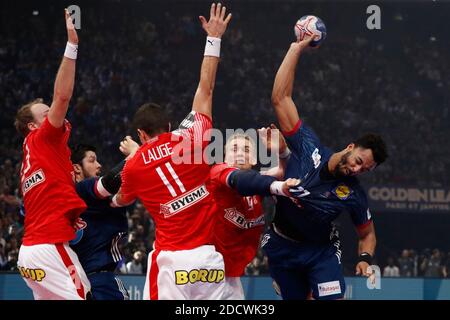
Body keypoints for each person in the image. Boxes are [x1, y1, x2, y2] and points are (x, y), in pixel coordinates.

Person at [112, 3, 233, 300]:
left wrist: (135, 156)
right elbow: (206, 88)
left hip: (171, 260)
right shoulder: (193, 137)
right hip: (209, 259)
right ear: (168, 124)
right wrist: (214, 37)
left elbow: (121, 200)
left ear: (140, 133)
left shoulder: (134, 166)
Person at [261, 34, 388, 300]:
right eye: (358, 162)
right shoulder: (308, 146)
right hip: (282, 244)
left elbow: (367, 234)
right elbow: (280, 98)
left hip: (321, 252)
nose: (357, 170)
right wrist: (295, 49)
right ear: (350, 147)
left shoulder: (353, 194)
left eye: (365, 170)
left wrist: (364, 258)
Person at [15, 9, 91, 300]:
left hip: (30, 254)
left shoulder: (30, 156)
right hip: (48, 246)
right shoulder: (42, 136)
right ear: (34, 125)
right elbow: (62, 96)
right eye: (46, 115)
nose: (54, 116)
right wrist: (72, 45)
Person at [210, 131, 295, 299]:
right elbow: (243, 181)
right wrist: (279, 187)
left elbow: (284, 172)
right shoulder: (218, 173)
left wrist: (282, 151)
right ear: (225, 157)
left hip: (232, 275)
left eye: (247, 150)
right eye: (234, 149)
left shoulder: (257, 182)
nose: (241, 153)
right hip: (207, 270)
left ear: (255, 160)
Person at [69, 138, 139, 300]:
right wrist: (136, 154)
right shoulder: (83, 188)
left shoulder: (73, 197)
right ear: (77, 169)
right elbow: (110, 182)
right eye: (92, 160)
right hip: (100, 280)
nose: (99, 165)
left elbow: (122, 195)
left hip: (76, 281)